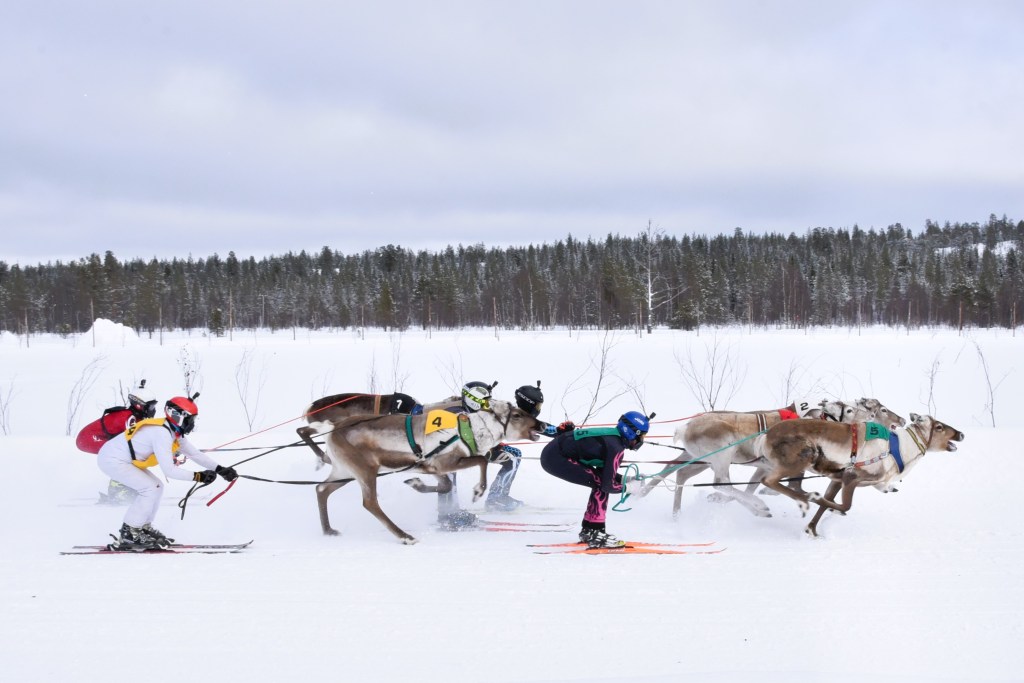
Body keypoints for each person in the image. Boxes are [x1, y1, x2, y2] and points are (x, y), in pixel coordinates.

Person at [96, 394, 238, 550]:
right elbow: (169, 471)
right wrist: (198, 476)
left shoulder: (173, 432)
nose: (192, 424)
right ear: (178, 416)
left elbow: (194, 454)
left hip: (121, 459)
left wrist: (220, 469)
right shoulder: (161, 433)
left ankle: (142, 527)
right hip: (112, 460)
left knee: (156, 486)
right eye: (191, 419)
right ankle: (130, 533)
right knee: (149, 488)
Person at [540, 410, 650, 548]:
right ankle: (596, 533)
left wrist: (626, 479)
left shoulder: (614, 437)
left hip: (553, 453)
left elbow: (606, 473)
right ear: (632, 432)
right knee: (600, 484)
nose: (641, 441)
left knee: (599, 481)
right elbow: (607, 485)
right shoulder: (616, 447)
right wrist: (630, 488)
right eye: (642, 436)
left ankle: (589, 530)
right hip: (555, 458)